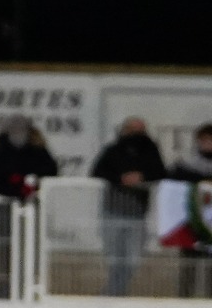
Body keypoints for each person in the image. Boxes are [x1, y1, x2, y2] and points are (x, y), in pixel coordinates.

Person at [0, 115, 58, 299]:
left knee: (32, 248)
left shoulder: (39, 152)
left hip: (32, 208)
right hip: (6, 209)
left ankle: (30, 287)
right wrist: (13, 188)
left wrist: (32, 187)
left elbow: (50, 173)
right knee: (7, 249)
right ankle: (7, 287)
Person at [91, 117, 165, 297]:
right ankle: (115, 293)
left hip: (137, 214)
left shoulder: (150, 151)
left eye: (139, 130)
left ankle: (111, 292)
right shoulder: (113, 150)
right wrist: (120, 179)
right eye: (131, 129)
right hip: (113, 212)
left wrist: (141, 176)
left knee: (133, 260)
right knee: (115, 259)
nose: (135, 134)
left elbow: (160, 172)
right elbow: (97, 171)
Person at [168, 124, 212, 297]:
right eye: (205, 140)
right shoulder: (185, 166)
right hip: (192, 221)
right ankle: (185, 298)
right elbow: (172, 186)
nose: (208, 144)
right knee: (189, 264)